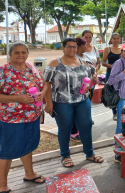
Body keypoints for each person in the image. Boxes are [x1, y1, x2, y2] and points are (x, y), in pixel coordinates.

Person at [0, 43, 47, 193]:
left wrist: (42, 93)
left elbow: (43, 85)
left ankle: (29, 174)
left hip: (32, 117)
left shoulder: (31, 69)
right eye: (16, 52)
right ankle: (1, 186)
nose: (20, 55)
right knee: (7, 152)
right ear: (10, 54)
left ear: (27, 54)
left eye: (23, 52)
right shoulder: (1, 72)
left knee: (27, 146)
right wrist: (18, 98)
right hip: (11, 120)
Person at [44, 38, 103, 168]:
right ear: (63, 48)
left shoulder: (83, 62)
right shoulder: (55, 63)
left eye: (74, 47)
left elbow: (91, 80)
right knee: (65, 128)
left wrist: (91, 83)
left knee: (86, 126)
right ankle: (65, 155)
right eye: (69, 47)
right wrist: (49, 103)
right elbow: (47, 84)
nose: (72, 49)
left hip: (82, 101)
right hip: (62, 102)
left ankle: (89, 153)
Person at [107, 43, 125, 164]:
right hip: (121, 98)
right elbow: (111, 80)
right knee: (121, 124)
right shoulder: (118, 63)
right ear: (121, 53)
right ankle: (118, 151)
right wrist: (124, 72)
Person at [70, 37, 97, 142]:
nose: (87, 46)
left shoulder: (84, 56)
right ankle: (73, 132)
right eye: (85, 45)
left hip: (88, 88)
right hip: (77, 90)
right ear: (80, 46)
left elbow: (93, 68)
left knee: (83, 111)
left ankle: (80, 130)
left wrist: (94, 75)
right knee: (75, 111)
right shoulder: (74, 58)